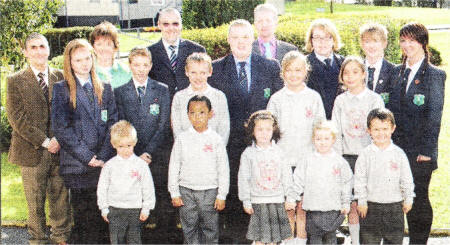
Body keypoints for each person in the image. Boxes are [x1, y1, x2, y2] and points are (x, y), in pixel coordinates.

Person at [208, 20, 283, 240]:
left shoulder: (270, 66)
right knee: (233, 199)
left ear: (253, 39)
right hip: (229, 146)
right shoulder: (216, 68)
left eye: (245, 37)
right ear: (229, 40)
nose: (241, 42)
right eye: (236, 37)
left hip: (262, 146)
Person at [5, 32, 72, 245]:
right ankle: (38, 239)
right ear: (25, 52)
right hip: (31, 151)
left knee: (60, 198)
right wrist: (45, 141)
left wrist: (59, 138)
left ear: (49, 49)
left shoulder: (61, 76)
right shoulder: (15, 81)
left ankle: (60, 237)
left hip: (59, 149)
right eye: (33, 47)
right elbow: (17, 119)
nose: (38, 51)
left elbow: (70, 110)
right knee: (35, 201)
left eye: (42, 46)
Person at [51, 38, 118, 244]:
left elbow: (113, 123)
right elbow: (62, 129)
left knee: (104, 217)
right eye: (78, 60)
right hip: (78, 166)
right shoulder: (62, 89)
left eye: (87, 58)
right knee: (84, 219)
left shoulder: (105, 87)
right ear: (69, 63)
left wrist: (104, 155)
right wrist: (88, 157)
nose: (84, 64)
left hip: (103, 164)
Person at [389, 22, 446, 244]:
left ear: (423, 42)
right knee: (395, 199)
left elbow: (434, 116)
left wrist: (427, 150)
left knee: (418, 199)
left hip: (420, 153)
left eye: (412, 40)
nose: (407, 45)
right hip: (395, 150)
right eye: (403, 40)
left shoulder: (434, 75)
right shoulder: (396, 72)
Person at [266, 50, 325, 245]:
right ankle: (287, 241)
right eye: (289, 70)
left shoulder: (313, 97)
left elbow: (321, 128)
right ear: (282, 73)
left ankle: (301, 241)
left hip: (306, 162)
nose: (294, 74)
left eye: (298, 70)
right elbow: (268, 131)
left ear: (306, 72)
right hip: (283, 162)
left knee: (303, 208)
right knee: (287, 208)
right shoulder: (276, 99)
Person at [113, 46, 170, 230]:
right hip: (131, 155)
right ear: (130, 65)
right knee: (134, 199)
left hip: (155, 154)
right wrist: (135, 154)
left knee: (159, 198)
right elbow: (122, 125)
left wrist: (148, 153)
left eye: (145, 65)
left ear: (151, 65)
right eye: (136, 64)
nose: (141, 69)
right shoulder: (120, 92)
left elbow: (163, 126)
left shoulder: (161, 90)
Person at [331, 56, 385, 245]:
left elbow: (379, 130)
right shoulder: (340, 101)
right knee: (353, 204)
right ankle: (355, 240)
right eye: (346, 73)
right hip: (347, 157)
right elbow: (336, 132)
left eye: (355, 72)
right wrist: (337, 160)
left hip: (369, 158)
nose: (350, 76)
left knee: (369, 203)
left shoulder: (374, 99)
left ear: (364, 74)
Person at [168, 95, 230, 244]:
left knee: (210, 228)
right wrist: (174, 192)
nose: (197, 117)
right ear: (188, 115)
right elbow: (174, 166)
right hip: (186, 191)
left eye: (202, 112)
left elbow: (223, 169)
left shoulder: (216, 139)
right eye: (192, 113)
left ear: (210, 114)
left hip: (210, 191)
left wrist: (222, 195)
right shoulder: (182, 139)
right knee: (189, 227)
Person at [354, 108, 415, 244]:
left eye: (385, 129)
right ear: (369, 130)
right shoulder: (365, 154)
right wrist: (362, 201)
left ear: (392, 129)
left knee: (394, 241)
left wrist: (408, 198)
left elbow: (406, 179)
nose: (381, 133)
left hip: (394, 207)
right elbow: (360, 180)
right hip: (371, 207)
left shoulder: (399, 154)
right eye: (376, 129)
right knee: (369, 240)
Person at [238, 110, 295, 244]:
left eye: (268, 129)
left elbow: (287, 176)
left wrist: (290, 197)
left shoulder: (280, 152)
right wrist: (246, 200)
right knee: (260, 239)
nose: (264, 133)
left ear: (273, 131)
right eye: (260, 129)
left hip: (277, 201)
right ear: (252, 131)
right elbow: (243, 179)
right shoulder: (248, 154)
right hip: (258, 202)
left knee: (274, 239)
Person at [291, 120, 352, 244]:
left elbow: (347, 183)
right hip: (313, 209)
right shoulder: (307, 160)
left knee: (330, 238)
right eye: (319, 139)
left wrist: (346, 202)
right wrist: (292, 198)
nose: (322, 142)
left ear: (333, 139)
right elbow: (298, 181)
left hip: (332, 208)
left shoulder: (340, 162)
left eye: (326, 138)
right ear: (313, 140)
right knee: (314, 239)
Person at [97, 120, 156, 244]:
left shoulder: (141, 165)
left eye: (129, 146)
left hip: (135, 210)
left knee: (134, 240)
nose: (125, 150)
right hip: (115, 210)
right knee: (117, 241)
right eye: (121, 146)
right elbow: (102, 188)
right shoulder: (109, 166)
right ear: (114, 145)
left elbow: (148, 187)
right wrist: (104, 208)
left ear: (134, 143)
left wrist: (146, 208)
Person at [171, 52, 230, 144]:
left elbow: (224, 131)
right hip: (187, 152)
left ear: (210, 72)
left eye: (202, 73)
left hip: (213, 152)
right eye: (193, 72)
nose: (198, 77)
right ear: (187, 72)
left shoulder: (219, 97)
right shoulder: (179, 98)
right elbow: (177, 130)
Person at [148, 7, 206, 98]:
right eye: (166, 24)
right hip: (163, 109)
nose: (171, 28)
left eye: (175, 24)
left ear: (181, 25)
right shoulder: (149, 53)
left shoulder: (197, 50)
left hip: (191, 107)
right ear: (159, 25)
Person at [305, 18, 345, 119]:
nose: (322, 42)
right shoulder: (303, 65)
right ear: (311, 41)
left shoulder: (344, 64)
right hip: (314, 122)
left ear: (334, 40)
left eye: (327, 37)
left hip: (340, 120)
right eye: (317, 37)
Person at [359, 23, 395, 106]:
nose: (371, 46)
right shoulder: (355, 70)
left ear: (384, 43)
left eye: (376, 41)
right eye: (367, 42)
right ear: (362, 44)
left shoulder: (394, 71)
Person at [90, 21, 131, 89]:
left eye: (108, 44)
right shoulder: (86, 72)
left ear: (115, 47)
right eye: (99, 44)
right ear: (92, 47)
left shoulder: (126, 72)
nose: (103, 48)